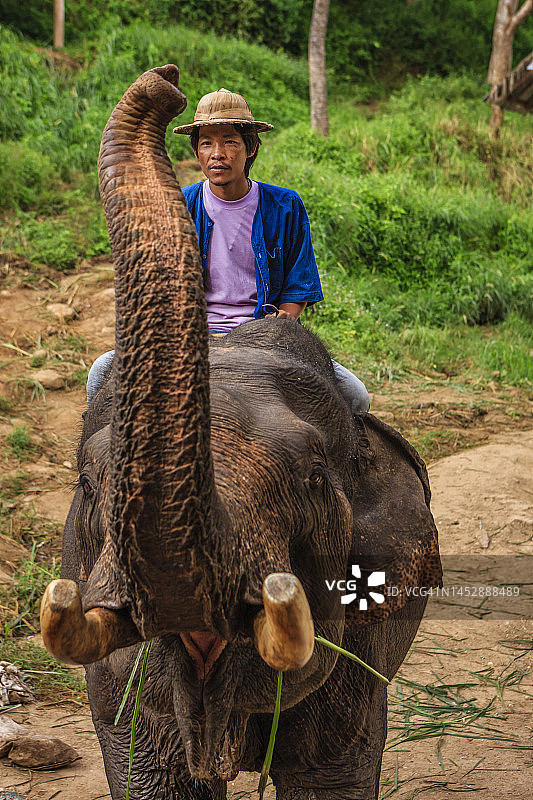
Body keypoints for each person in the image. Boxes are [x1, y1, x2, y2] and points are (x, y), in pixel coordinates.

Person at [87, 88, 369, 412]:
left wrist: (284, 322)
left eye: (229, 141)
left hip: (263, 335)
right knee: (99, 375)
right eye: (206, 142)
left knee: (356, 396)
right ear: (196, 152)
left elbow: (299, 283)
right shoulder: (179, 204)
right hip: (192, 334)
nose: (217, 153)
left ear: (250, 148)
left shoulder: (285, 206)